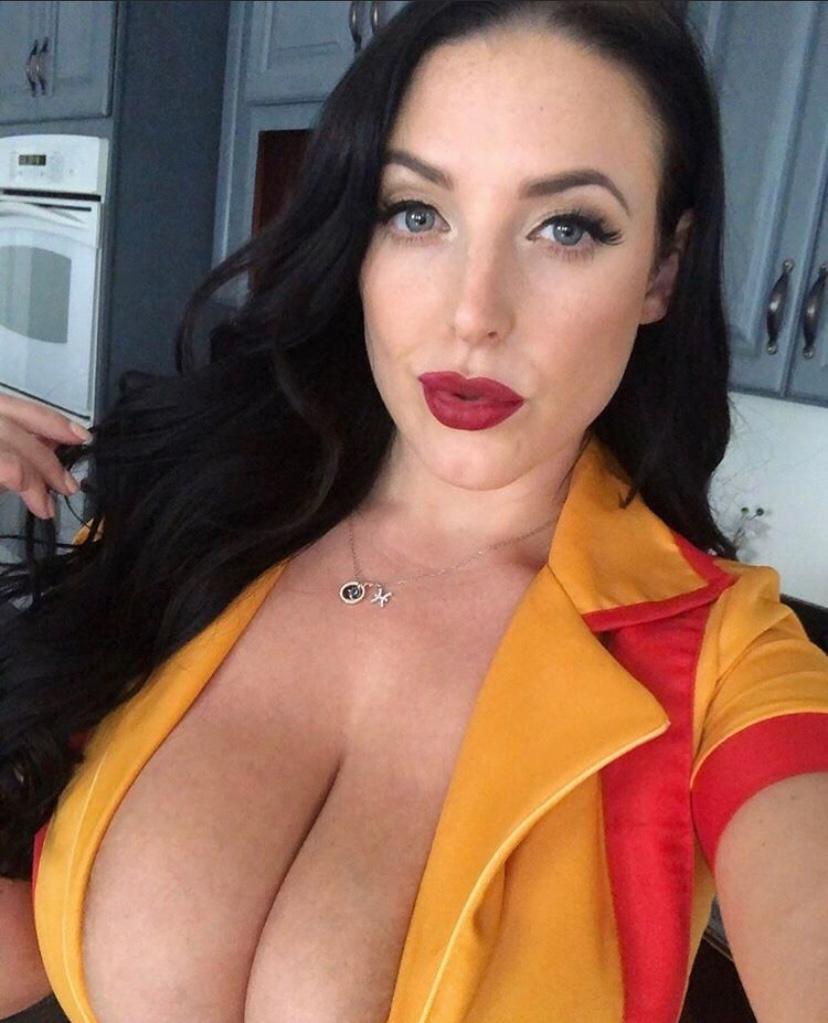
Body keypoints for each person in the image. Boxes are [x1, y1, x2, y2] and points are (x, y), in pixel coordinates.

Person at [1, 1, 827, 1021]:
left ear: (662, 267)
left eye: (567, 228)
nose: (474, 311)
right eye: (418, 213)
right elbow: (38, 941)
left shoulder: (725, 662)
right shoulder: (192, 517)